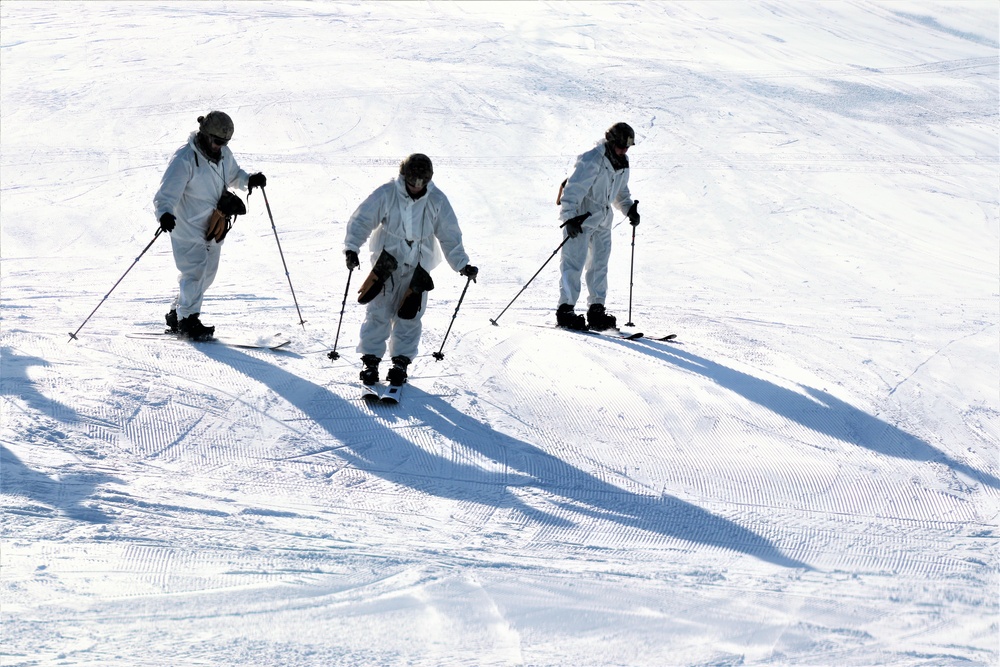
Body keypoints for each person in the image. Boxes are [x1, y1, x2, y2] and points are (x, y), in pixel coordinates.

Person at [343, 153, 478, 386]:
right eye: (412, 181)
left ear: (428, 180)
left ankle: (400, 362)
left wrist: (462, 264)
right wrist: (352, 248)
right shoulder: (387, 194)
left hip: (419, 266)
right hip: (386, 263)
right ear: (403, 176)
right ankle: (371, 360)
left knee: (410, 315)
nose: (416, 187)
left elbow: (449, 234)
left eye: (421, 182)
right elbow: (362, 219)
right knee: (378, 312)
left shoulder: (437, 200)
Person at [153, 111, 267, 339]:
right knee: (194, 272)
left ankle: (177, 312)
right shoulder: (185, 159)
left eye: (224, 142)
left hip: (214, 225)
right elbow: (165, 193)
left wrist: (248, 180)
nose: (220, 146)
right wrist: (165, 213)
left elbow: (234, 174)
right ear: (205, 135)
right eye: (217, 141)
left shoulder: (223, 154)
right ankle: (188, 321)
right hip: (186, 226)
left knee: (208, 274)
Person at [555, 122, 640, 331]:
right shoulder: (592, 159)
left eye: (627, 147)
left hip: (603, 221)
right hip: (580, 219)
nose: (624, 150)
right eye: (621, 146)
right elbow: (572, 191)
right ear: (611, 142)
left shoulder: (622, 163)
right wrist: (569, 218)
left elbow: (621, 193)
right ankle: (565, 310)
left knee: (599, 266)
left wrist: (629, 209)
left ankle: (596, 310)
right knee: (573, 263)